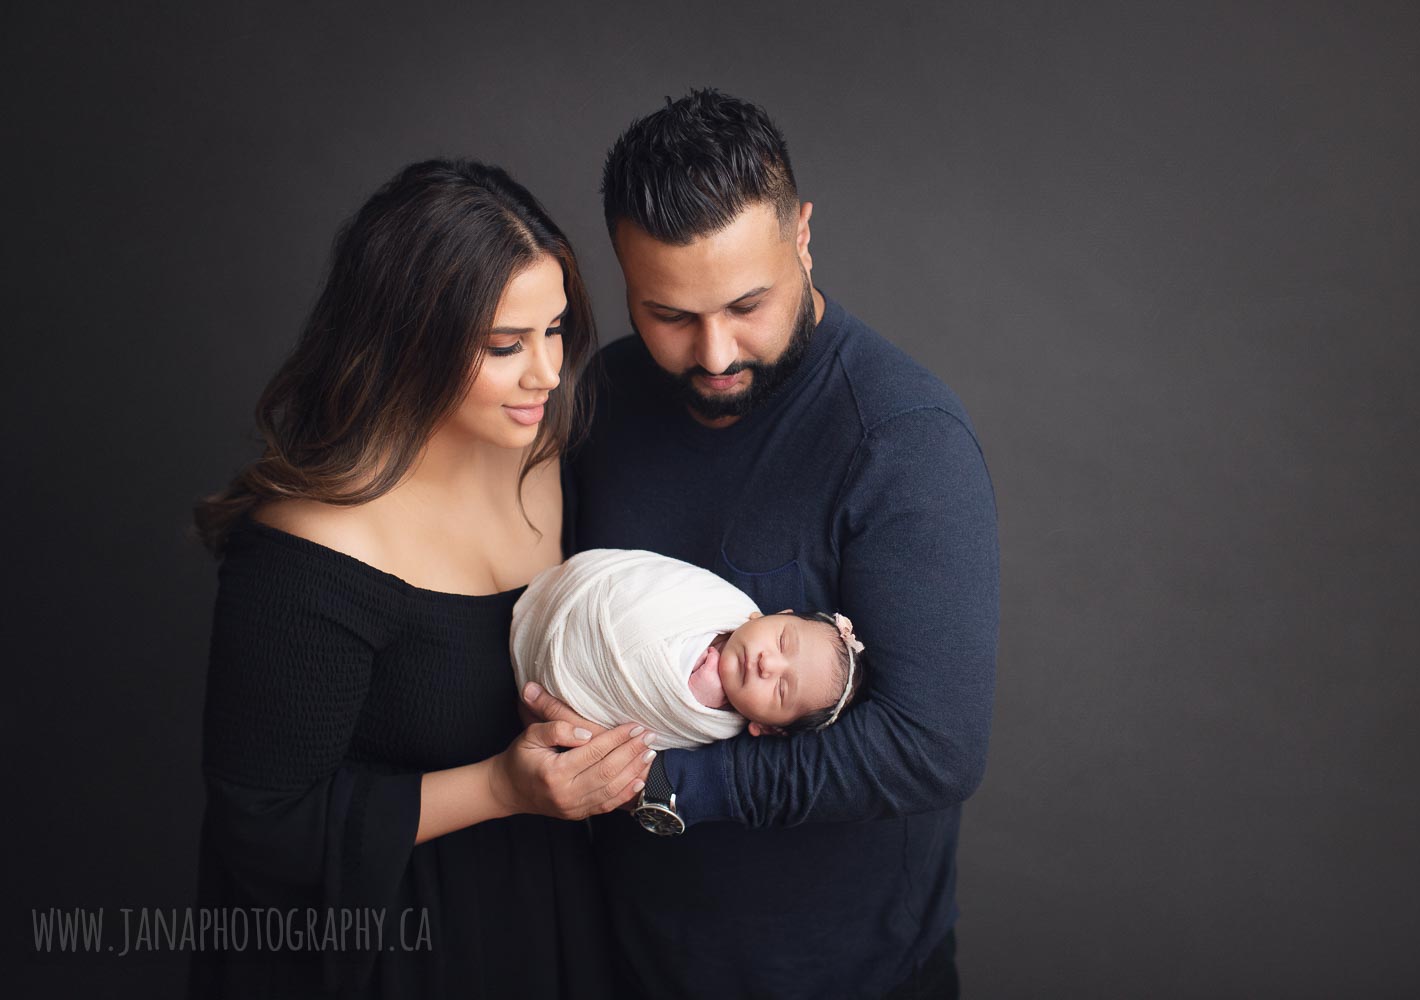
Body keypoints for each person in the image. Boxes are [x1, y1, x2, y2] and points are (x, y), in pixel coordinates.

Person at [531, 89, 1001, 998]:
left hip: (849, 976)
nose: (713, 353)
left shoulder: (904, 438)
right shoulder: (606, 397)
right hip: (627, 957)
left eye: (747, 304)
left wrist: (669, 790)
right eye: (667, 315)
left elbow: (933, 747)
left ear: (804, 237)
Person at [190, 159, 654, 998]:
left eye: (555, 330)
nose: (547, 374)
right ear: (410, 343)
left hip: (546, 914)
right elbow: (261, 830)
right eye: (505, 346)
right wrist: (500, 787)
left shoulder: (551, 458)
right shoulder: (309, 550)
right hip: (392, 951)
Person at [511, 547, 866, 749]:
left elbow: (642, 727)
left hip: (564, 686)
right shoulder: (719, 599)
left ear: (768, 728)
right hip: (571, 595)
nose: (767, 664)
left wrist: (702, 689)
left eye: (781, 689)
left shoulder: (708, 727)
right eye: (783, 640)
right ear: (777, 614)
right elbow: (647, 576)